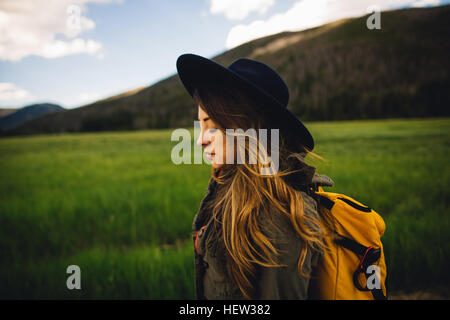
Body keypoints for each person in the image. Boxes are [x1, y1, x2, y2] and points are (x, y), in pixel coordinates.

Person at [176, 53, 335, 300]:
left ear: (245, 126)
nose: (200, 140)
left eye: (210, 124)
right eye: (200, 125)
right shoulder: (227, 191)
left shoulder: (280, 217)